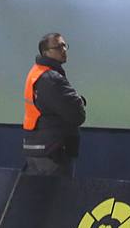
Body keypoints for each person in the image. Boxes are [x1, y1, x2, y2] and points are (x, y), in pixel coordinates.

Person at [21, 33, 86, 176]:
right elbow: (77, 115)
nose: (63, 50)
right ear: (45, 52)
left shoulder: (35, 73)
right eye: (58, 47)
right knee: (59, 197)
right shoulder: (51, 78)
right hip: (53, 153)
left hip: (36, 149)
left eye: (64, 45)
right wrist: (79, 101)